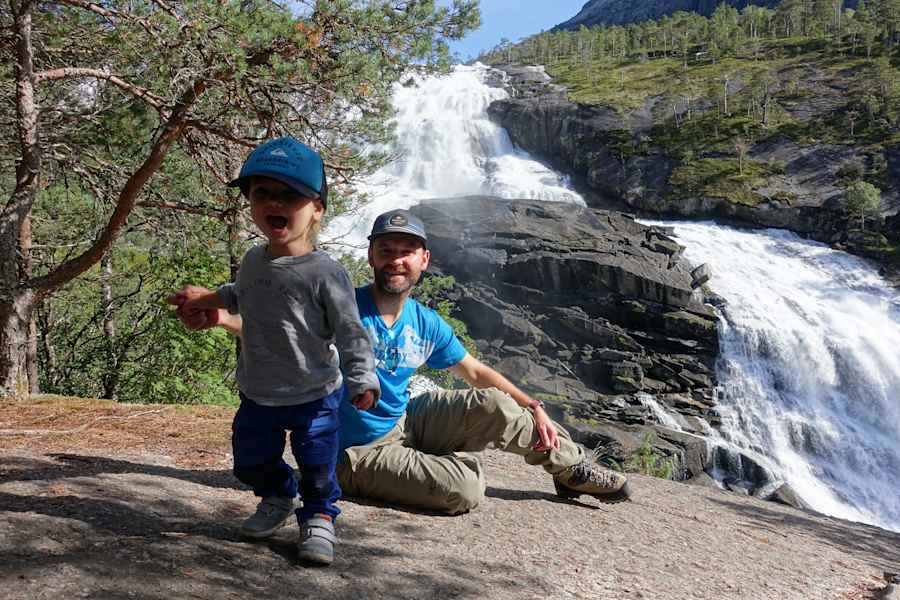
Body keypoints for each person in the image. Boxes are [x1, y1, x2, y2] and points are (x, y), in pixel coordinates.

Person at [179, 207, 630, 517]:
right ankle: (426, 468)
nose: (396, 259)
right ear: (372, 255)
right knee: (464, 491)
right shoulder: (340, 304)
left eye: (406, 250)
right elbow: (278, 328)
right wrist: (221, 316)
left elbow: (474, 372)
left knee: (493, 402)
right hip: (353, 452)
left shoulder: (425, 321)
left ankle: (570, 470)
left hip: (405, 422)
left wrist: (534, 406)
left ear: (424, 260)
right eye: (387, 249)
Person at [168, 136, 379, 566]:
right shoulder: (252, 259)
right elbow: (241, 294)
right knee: (249, 461)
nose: (273, 203)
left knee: (318, 465)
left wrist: (363, 378)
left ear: (317, 208)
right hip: (258, 392)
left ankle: (319, 515)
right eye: (262, 193)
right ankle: (278, 496)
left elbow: (351, 332)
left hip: (315, 394)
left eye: (289, 194)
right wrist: (206, 299)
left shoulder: (326, 273)